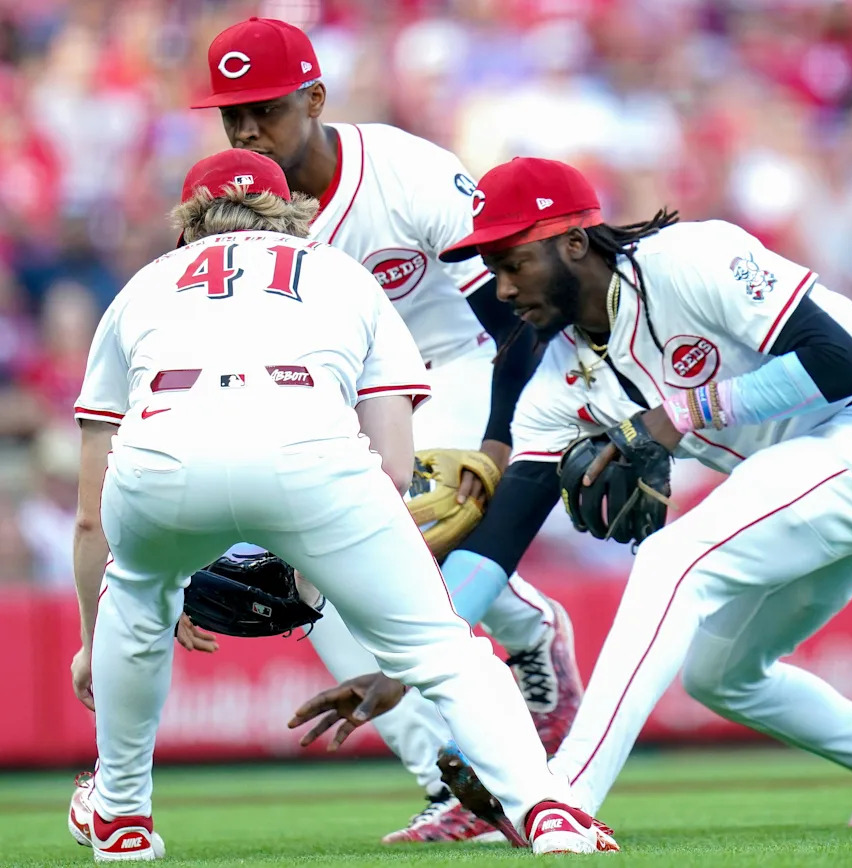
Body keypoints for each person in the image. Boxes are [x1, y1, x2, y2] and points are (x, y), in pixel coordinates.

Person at [296, 156, 852, 831]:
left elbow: (841, 364)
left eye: (511, 261)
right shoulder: (558, 381)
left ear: (574, 242)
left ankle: (567, 798)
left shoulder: (690, 258)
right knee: (723, 675)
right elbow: (497, 547)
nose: (499, 288)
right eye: (490, 267)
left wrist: (678, 414)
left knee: (674, 559)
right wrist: (407, 667)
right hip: (818, 478)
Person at [65, 149, 618, 861]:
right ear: (292, 214)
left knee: (135, 602)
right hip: (312, 453)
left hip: (160, 461)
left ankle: (119, 813)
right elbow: (391, 464)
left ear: (186, 228)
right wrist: (317, 559)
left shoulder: (144, 287)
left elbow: (88, 515)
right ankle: (547, 811)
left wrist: (90, 640)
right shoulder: (339, 273)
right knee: (441, 649)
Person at [187, 16, 582, 843]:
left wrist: (501, 440)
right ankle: (453, 772)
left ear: (315, 98)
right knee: (311, 576)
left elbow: (516, 311)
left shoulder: (405, 172)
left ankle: (523, 638)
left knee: (388, 542)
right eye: (234, 115)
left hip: (459, 366)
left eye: (266, 108)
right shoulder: (237, 217)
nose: (249, 130)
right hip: (352, 399)